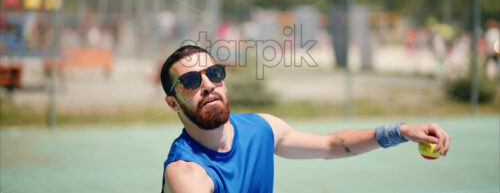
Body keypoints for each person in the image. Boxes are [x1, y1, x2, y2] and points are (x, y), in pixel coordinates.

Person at [160, 45, 451, 193]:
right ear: (173, 103)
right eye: (190, 81)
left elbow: (331, 145)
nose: (209, 84)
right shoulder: (187, 173)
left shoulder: (262, 129)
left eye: (214, 73)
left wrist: (401, 131)